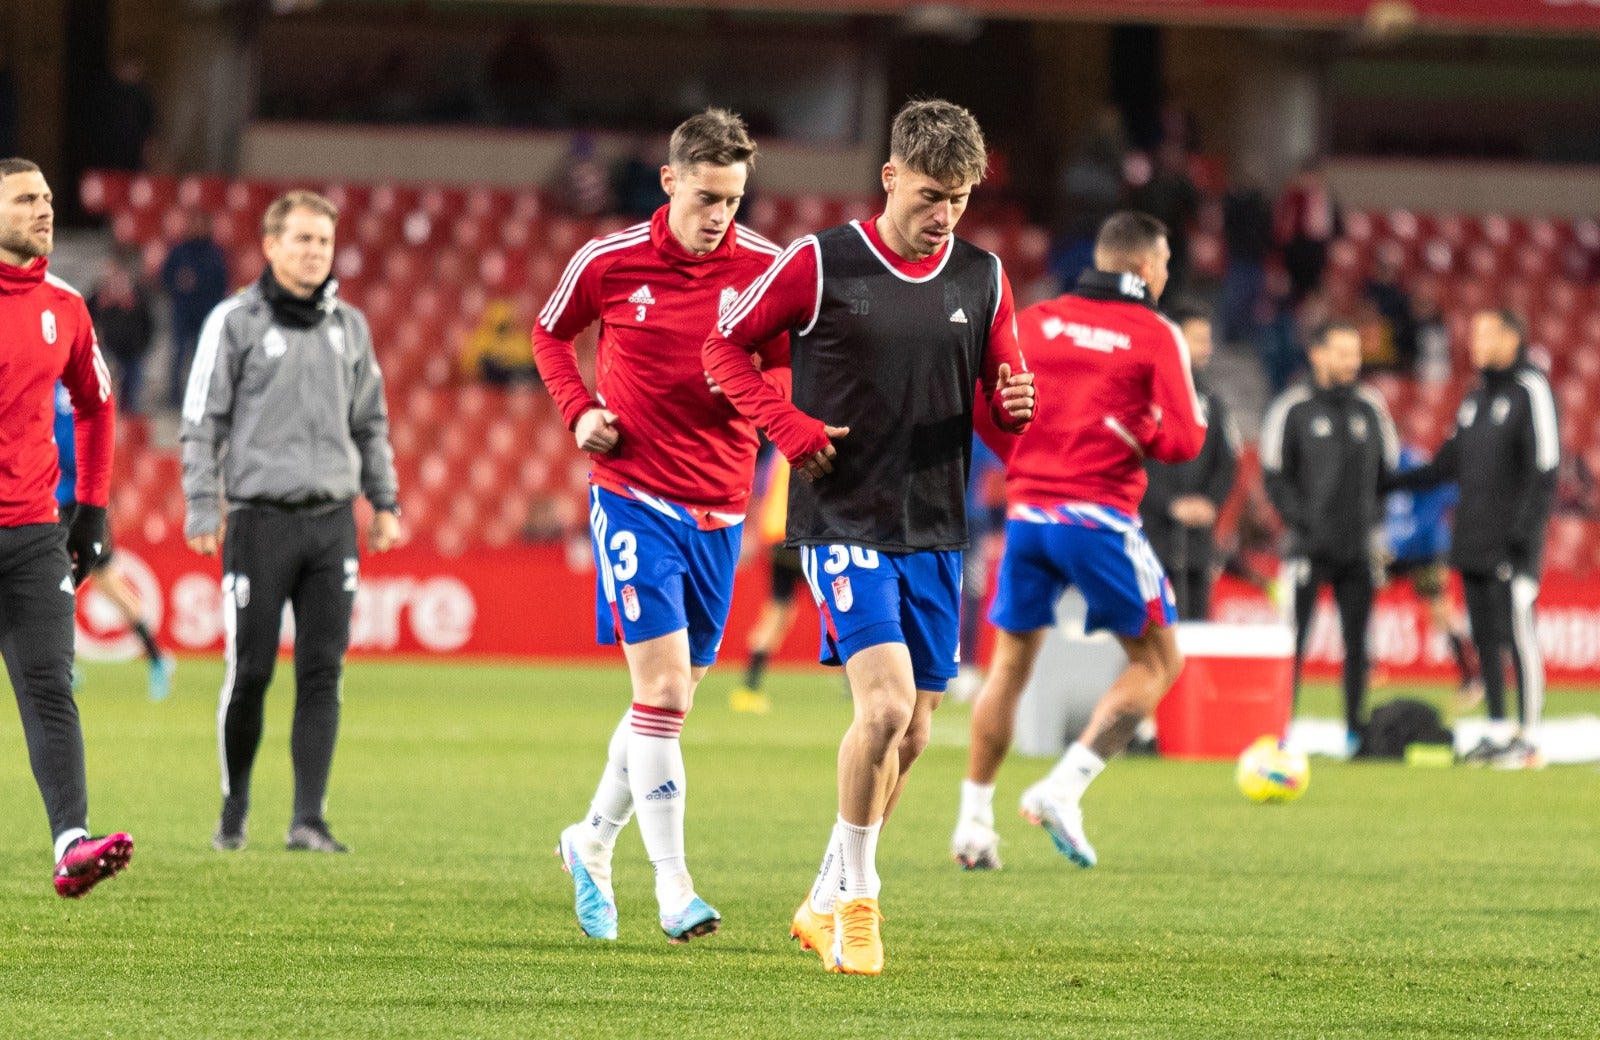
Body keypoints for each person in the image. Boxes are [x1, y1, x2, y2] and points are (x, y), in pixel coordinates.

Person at [703, 98, 1036, 975]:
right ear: (890, 177)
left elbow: (1002, 419)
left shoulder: (983, 278)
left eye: (960, 200)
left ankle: (819, 897)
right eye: (930, 195)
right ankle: (858, 901)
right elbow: (725, 351)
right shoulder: (820, 263)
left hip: (934, 525)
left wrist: (1013, 413)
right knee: (883, 709)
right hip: (842, 516)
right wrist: (789, 428)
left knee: (917, 734)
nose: (944, 216)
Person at [533, 110, 786, 945]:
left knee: (663, 705)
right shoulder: (609, 262)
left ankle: (590, 841)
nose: (722, 216)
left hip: (723, 509)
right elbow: (548, 333)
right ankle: (674, 889)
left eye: (736, 200)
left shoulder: (763, 268)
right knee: (668, 692)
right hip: (635, 493)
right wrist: (579, 413)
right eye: (709, 196)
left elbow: (786, 366)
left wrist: (770, 406)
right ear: (672, 181)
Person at [948, 211, 1205, 875]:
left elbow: (980, 404)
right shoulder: (1154, 332)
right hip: (1099, 521)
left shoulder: (1033, 321)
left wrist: (1028, 456)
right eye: (1167, 265)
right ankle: (1063, 787)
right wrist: (1130, 431)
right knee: (1158, 662)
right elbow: (1185, 440)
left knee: (1009, 666)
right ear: (1147, 268)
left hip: (1029, 515)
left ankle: (973, 823)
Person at [181, 189, 402, 854]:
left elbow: (371, 423)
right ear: (271, 246)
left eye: (323, 242)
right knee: (250, 671)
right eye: (301, 240)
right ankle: (234, 804)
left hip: (332, 522)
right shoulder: (235, 322)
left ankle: (308, 818)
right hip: (259, 521)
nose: (314, 252)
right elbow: (202, 421)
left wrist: (385, 502)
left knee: (322, 672)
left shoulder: (350, 328)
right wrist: (200, 504)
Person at [0, 157, 133, 897]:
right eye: (24, 199)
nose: (43, 209)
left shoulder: (65, 306)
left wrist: (94, 506)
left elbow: (97, 403)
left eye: (48, 198)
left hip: (32, 533)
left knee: (50, 688)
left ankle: (71, 843)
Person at [1386, 310, 1558, 769]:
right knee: (1484, 639)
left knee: (1519, 635)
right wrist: (1387, 482)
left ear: (1512, 337)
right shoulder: (1475, 397)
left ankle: (1531, 738)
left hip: (1513, 546)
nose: (1474, 341)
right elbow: (1446, 465)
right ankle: (1499, 730)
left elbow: (1545, 470)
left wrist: (1523, 538)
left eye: (1485, 333)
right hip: (1474, 540)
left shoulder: (1531, 390)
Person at [1261, 320, 1398, 755]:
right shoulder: (1293, 407)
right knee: (1291, 643)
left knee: (1359, 645)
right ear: (1317, 354)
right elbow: (1273, 472)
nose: (1351, 361)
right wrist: (1301, 522)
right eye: (1341, 352)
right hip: (1306, 549)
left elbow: (1388, 470)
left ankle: (1356, 733)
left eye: (1355, 352)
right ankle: (1279, 729)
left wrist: (1372, 521)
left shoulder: (1371, 406)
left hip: (1357, 549)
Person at [53, 381, 175, 699]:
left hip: (85, 501)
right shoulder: (44, 375)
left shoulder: (81, 377)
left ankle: (157, 657)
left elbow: (97, 430)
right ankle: (62, 664)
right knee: (57, 580)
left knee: (106, 582)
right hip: (53, 498)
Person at [1139, 299, 1239, 620]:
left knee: (1195, 636)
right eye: (1199, 339)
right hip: (1149, 539)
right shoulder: (1143, 395)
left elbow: (1226, 462)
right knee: (1150, 641)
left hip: (1197, 543)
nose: (1207, 348)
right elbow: (1132, 463)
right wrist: (1170, 504)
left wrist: (1209, 502)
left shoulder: (1214, 402)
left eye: (1208, 339)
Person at [1383, 411, 1479, 705]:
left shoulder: (1416, 461)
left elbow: (1446, 494)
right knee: (1357, 593)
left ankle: (1472, 677)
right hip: (1394, 551)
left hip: (1424, 549)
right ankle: (1365, 667)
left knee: (1440, 614)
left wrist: (1411, 536)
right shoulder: (1376, 466)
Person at [728, 441, 803, 716]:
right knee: (839, 605)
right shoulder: (810, 439)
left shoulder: (777, 449)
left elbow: (759, 489)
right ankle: (856, 681)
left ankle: (749, 687)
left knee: (778, 610)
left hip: (775, 535)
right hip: (803, 534)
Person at [161, 210, 230, 409]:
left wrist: (201, 285)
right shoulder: (179, 251)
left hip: (205, 313)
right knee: (178, 355)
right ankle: (174, 397)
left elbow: (221, 284)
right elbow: (165, 277)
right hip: (182, 312)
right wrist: (178, 283)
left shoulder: (214, 253)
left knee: (204, 358)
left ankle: (203, 398)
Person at [87, 253, 155, 413]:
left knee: (131, 398)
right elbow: (83, 316)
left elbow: (148, 324)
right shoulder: (100, 297)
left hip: (133, 354)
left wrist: (142, 347)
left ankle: (128, 429)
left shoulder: (138, 298)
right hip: (108, 353)